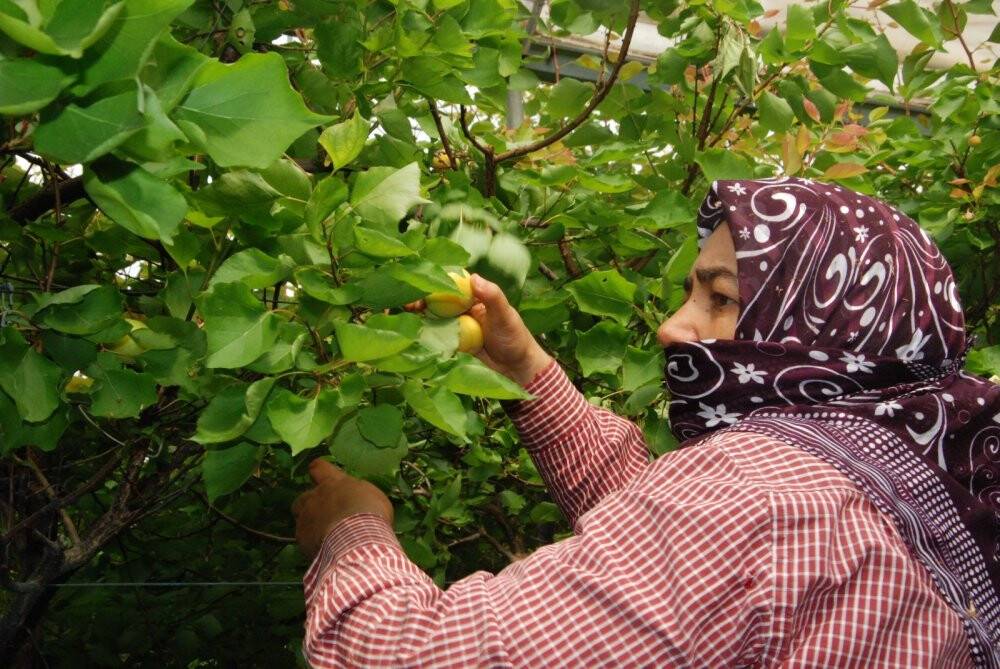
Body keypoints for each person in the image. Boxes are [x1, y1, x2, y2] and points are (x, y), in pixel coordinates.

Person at [292, 177, 1000, 667]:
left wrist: (349, 532)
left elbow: (411, 656)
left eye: (720, 298)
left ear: (818, 317)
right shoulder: (924, 465)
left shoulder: (754, 498)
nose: (671, 327)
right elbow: (688, 562)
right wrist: (524, 370)